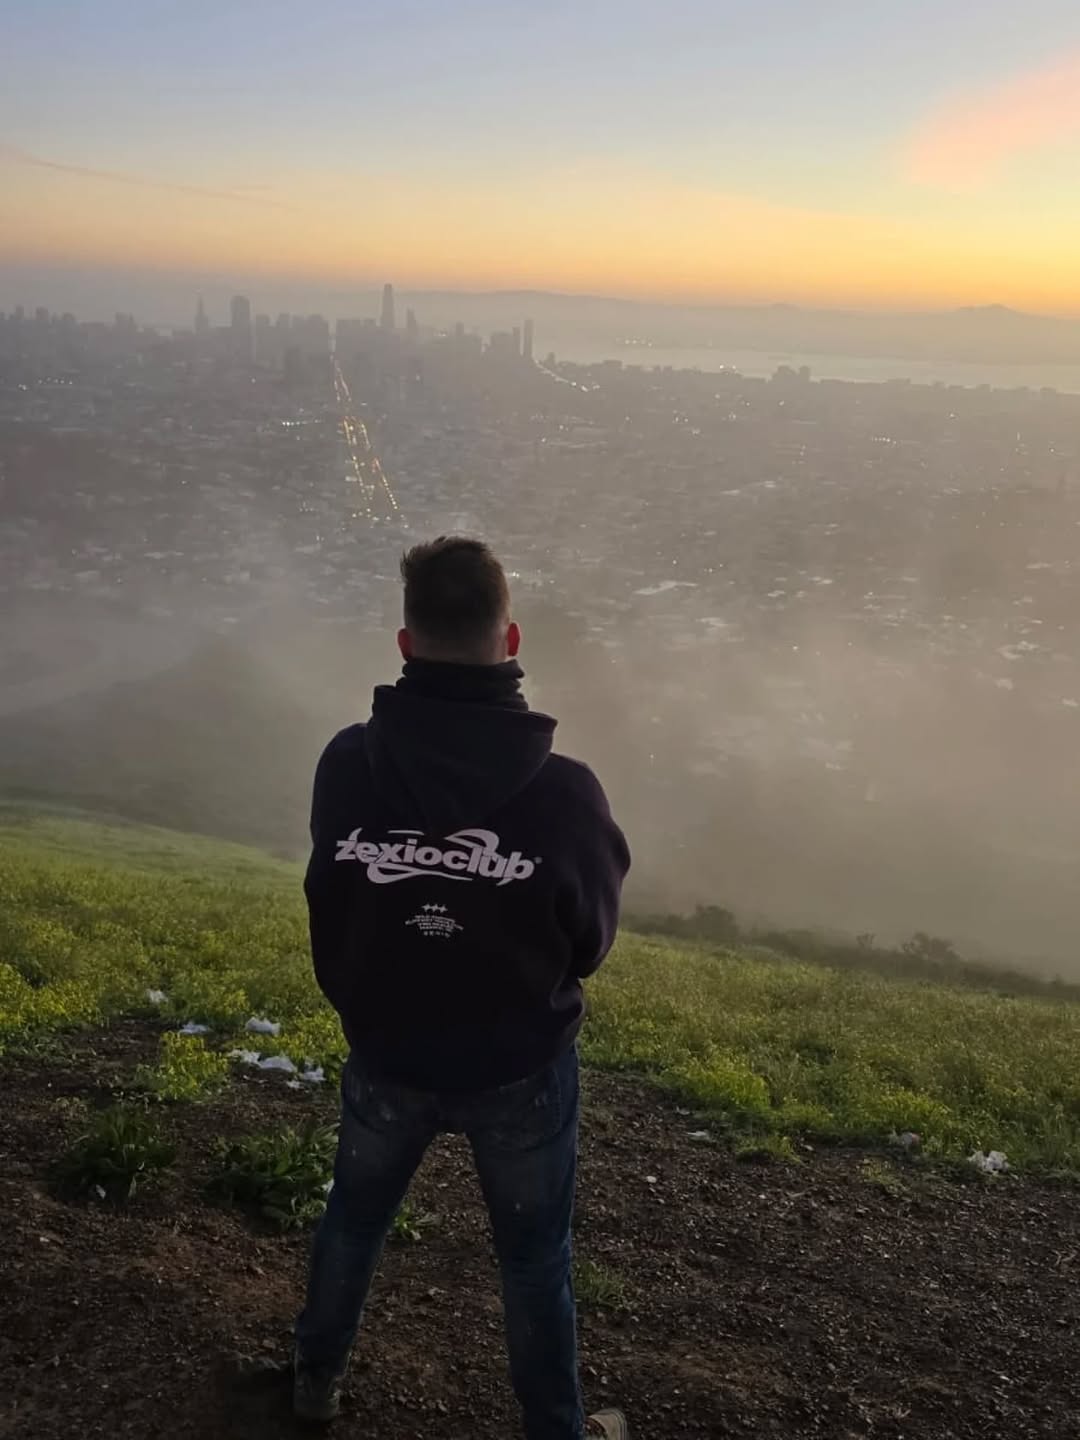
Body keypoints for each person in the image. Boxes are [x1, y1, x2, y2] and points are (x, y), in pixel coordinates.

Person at [295, 537, 632, 1439]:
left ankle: (312, 1384)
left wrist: (364, 1002)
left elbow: (330, 897)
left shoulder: (349, 762)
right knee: (532, 1260)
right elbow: (590, 939)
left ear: (405, 644)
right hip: (518, 1064)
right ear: (510, 636)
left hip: (386, 1053)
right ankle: (554, 1430)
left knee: (353, 1225)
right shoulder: (565, 795)